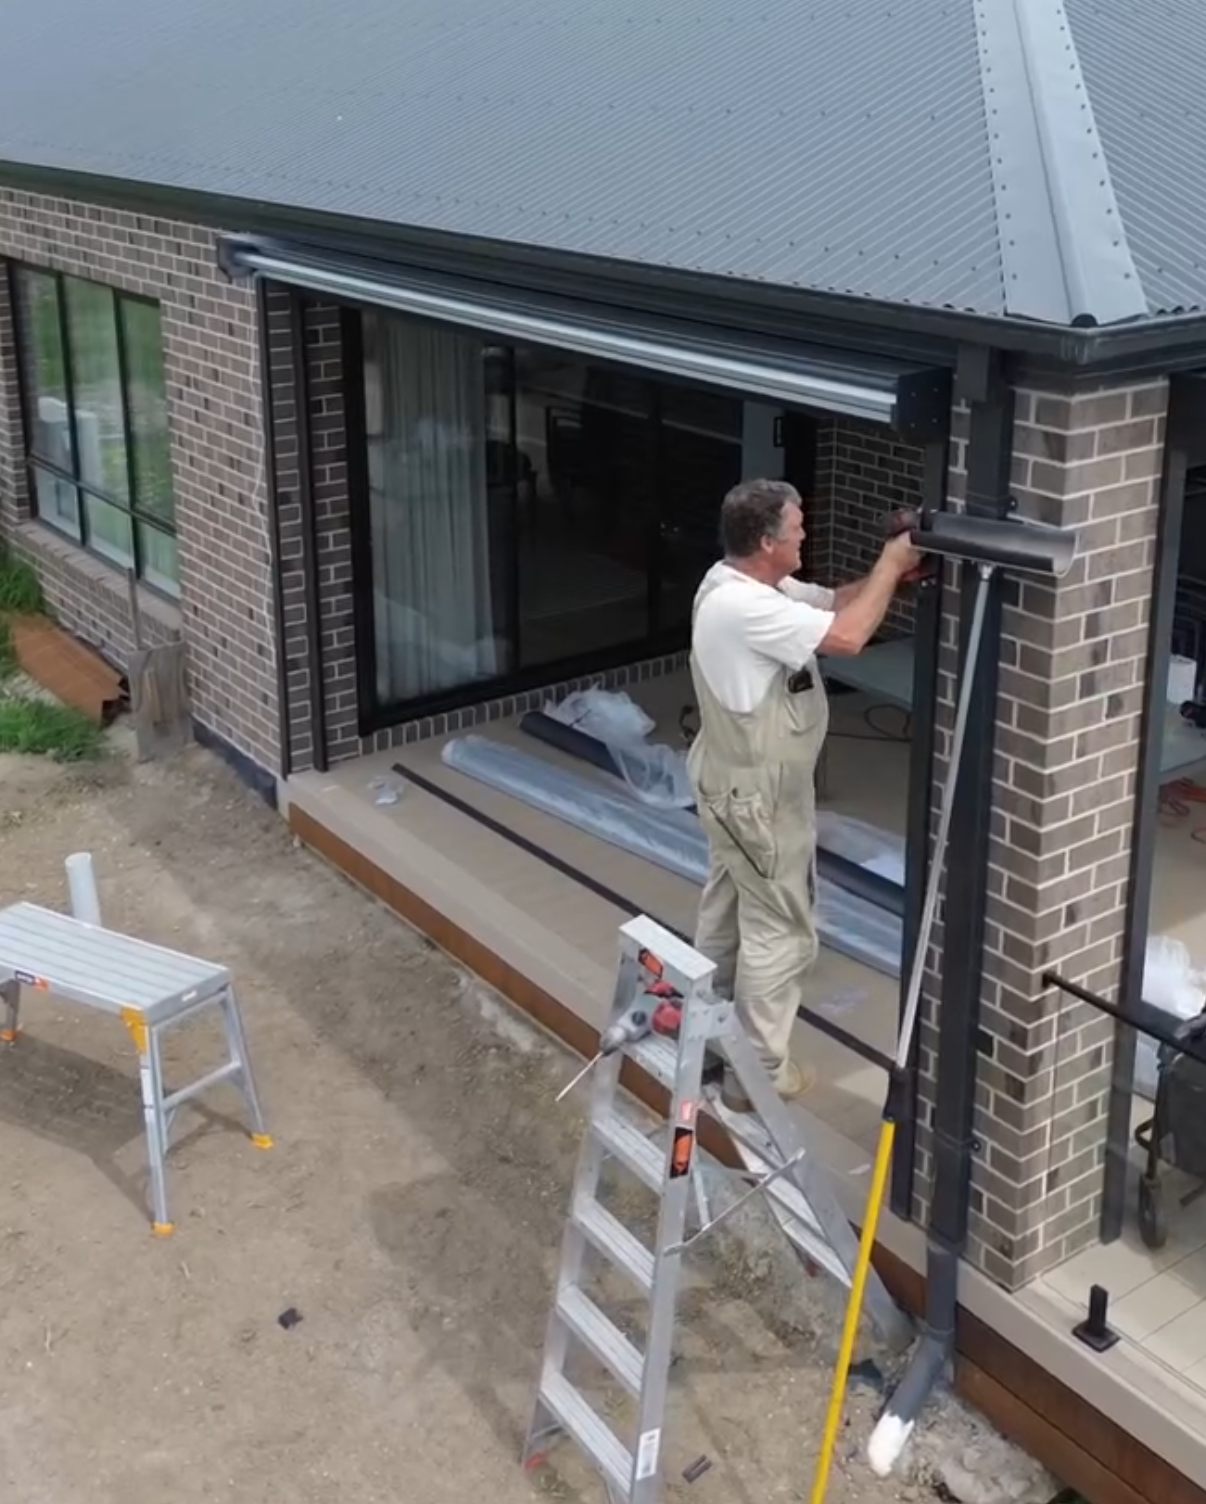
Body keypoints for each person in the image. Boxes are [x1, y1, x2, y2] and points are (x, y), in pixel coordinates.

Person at [687, 478, 923, 1113]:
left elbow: (834, 606)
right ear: (767, 541)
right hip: (757, 799)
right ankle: (754, 1077)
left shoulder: (744, 583)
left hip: (740, 788)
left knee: (728, 911)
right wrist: (891, 561)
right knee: (780, 930)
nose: (804, 535)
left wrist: (889, 577)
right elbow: (846, 637)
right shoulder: (742, 606)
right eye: (795, 529)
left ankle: (699, 1036)